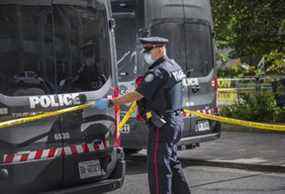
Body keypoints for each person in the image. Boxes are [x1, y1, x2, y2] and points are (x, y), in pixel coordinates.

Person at [94, 36, 191, 194]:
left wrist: (111, 102)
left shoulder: (158, 71)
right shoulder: (174, 65)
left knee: (157, 166)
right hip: (176, 120)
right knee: (172, 161)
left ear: (160, 49)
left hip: (163, 124)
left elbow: (136, 95)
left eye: (149, 50)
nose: (146, 54)